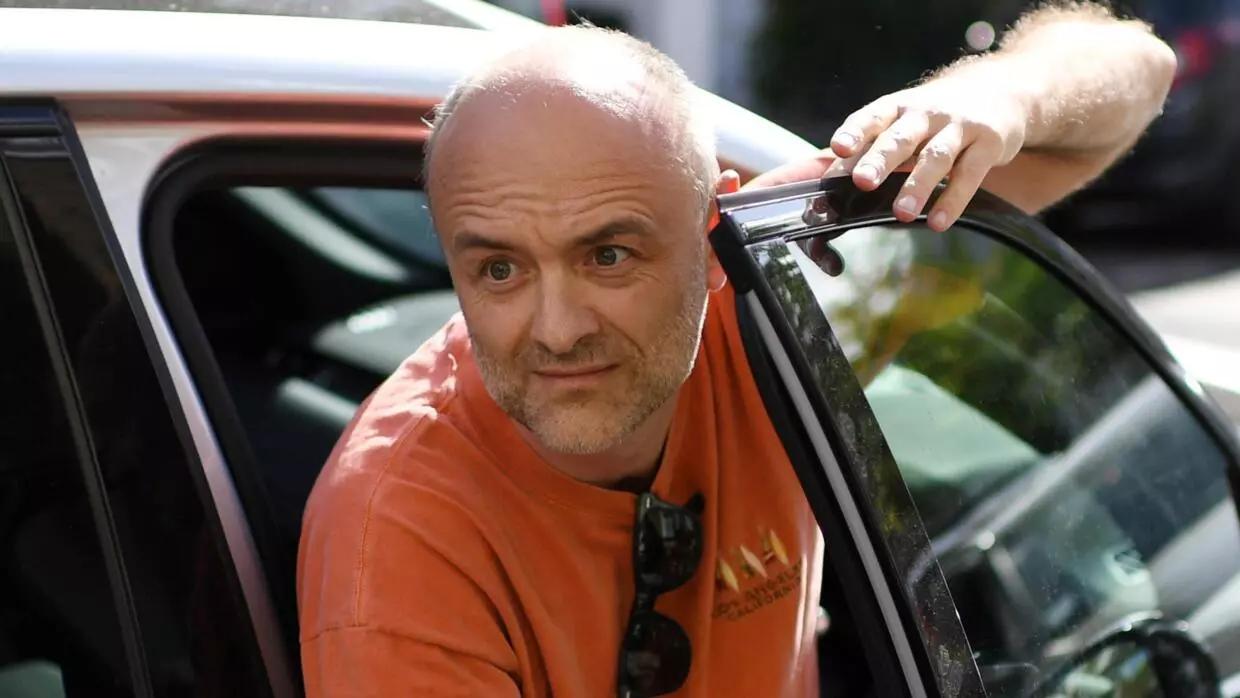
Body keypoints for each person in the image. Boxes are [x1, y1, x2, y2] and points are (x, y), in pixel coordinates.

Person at [297, 3, 1176, 696]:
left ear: (711, 229)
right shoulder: (395, 561)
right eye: (498, 269)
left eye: (609, 255)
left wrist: (1002, 96)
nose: (558, 329)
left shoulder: (779, 292)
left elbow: (1138, 69)